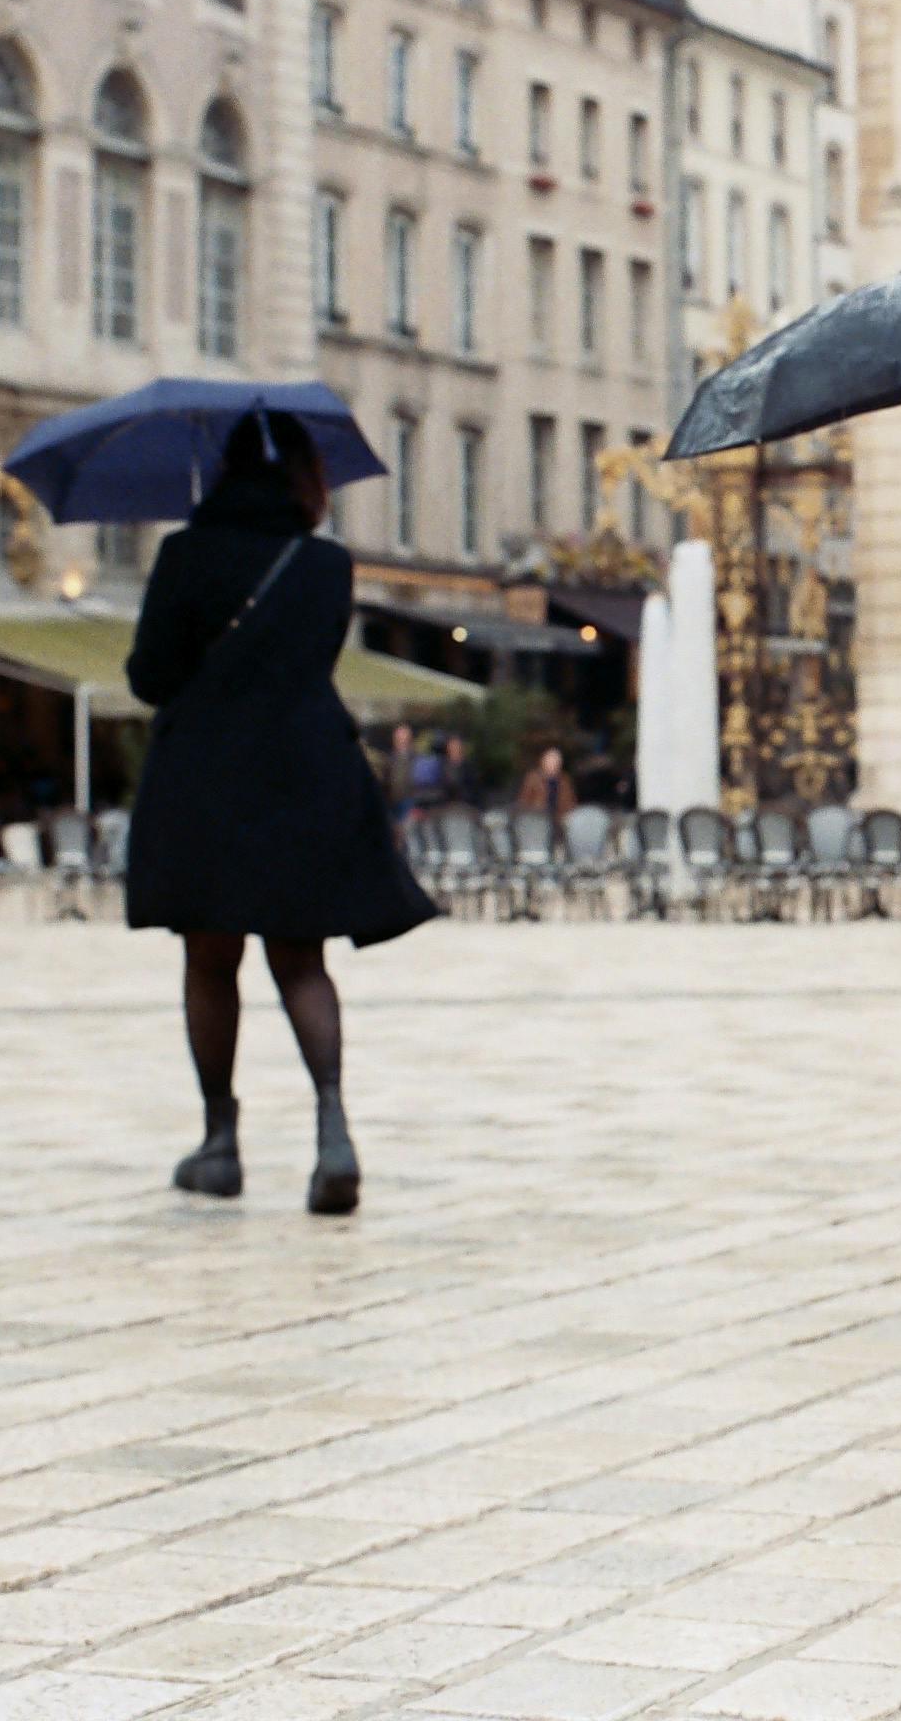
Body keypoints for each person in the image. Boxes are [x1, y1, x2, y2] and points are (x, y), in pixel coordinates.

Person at [125, 412, 437, 1212]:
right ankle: (333, 1129)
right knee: (301, 961)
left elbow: (151, 676)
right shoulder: (325, 564)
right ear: (304, 474)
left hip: (206, 775)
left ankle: (220, 1142)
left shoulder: (185, 554)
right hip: (304, 771)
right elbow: (312, 663)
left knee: (210, 958)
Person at [514, 744, 577, 819]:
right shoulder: (532, 778)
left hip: (560, 817)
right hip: (538, 817)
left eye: (557, 761)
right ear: (543, 761)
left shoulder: (565, 779)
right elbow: (523, 801)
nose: (554, 764)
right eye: (550, 761)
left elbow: (571, 801)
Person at [435, 733, 481, 810]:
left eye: (457, 745)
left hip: (467, 804)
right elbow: (439, 785)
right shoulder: (441, 765)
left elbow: (475, 787)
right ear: (448, 747)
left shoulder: (470, 766)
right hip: (446, 804)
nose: (455, 748)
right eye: (453, 745)